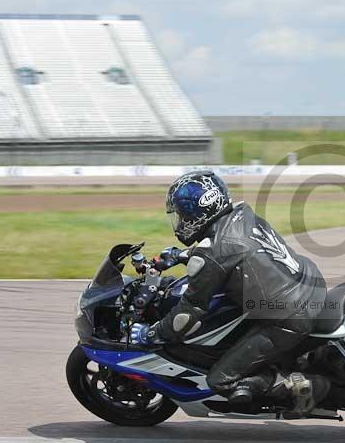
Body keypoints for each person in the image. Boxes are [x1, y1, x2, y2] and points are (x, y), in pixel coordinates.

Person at [129, 170, 329, 415]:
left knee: (220, 380)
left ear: (197, 213)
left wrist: (153, 333)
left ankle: (305, 387)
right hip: (310, 285)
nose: (180, 222)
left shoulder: (213, 252)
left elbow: (188, 314)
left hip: (287, 319)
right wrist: (181, 256)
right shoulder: (242, 215)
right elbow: (231, 251)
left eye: (182, 215)